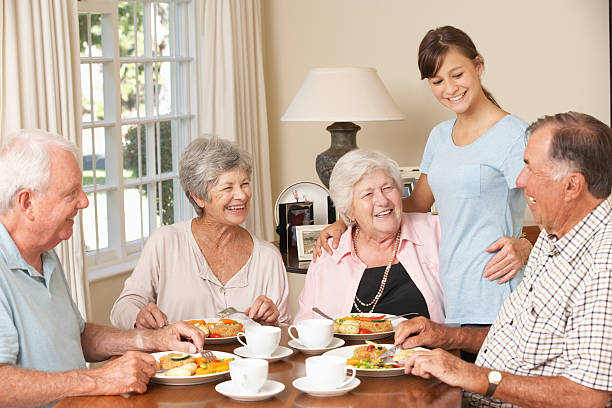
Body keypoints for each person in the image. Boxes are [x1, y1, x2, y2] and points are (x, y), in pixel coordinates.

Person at [315, 26, 532, 332]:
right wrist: (349, 219)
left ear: (478, 66)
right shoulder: (440, 137)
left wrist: (526, 247)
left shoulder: (514, 136)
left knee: (493, 380)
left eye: (457, 75)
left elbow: (556, 211)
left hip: (496, 289)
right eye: (437, 81)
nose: (449, 88)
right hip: (451, 294)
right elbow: (417, 202)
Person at [394, 112, 612, 407]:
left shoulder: (603, 264)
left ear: (572, 186)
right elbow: (515, 337)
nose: (519, 181)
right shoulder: (553, 236)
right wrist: (446, 337)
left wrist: (471, 376)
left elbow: (588, 395)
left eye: (531, 169)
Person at [0, 130, 205, 407]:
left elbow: (78, 335)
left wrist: (153, 339)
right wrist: (99, 380)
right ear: (27, 203)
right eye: (71, 192)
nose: (84, 201)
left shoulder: (44, 252)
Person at [111, 137, 291, 329]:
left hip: (248, 359)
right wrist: (139, 317)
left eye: (245, 184)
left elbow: (284, 332)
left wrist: (272, 323)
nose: (242, 195)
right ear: (198, 197)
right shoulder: (166, 243)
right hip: (180, 357)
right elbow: (122, 308)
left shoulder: (267, 257)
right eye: (228, 187)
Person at [294, 149, 444, 323]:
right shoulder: (328, 254)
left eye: (388, 188)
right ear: (349, 211)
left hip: (426, 350)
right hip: (348, 351)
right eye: (368, 194)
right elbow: (305, 326)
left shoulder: (435, 232)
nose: (382, 200)